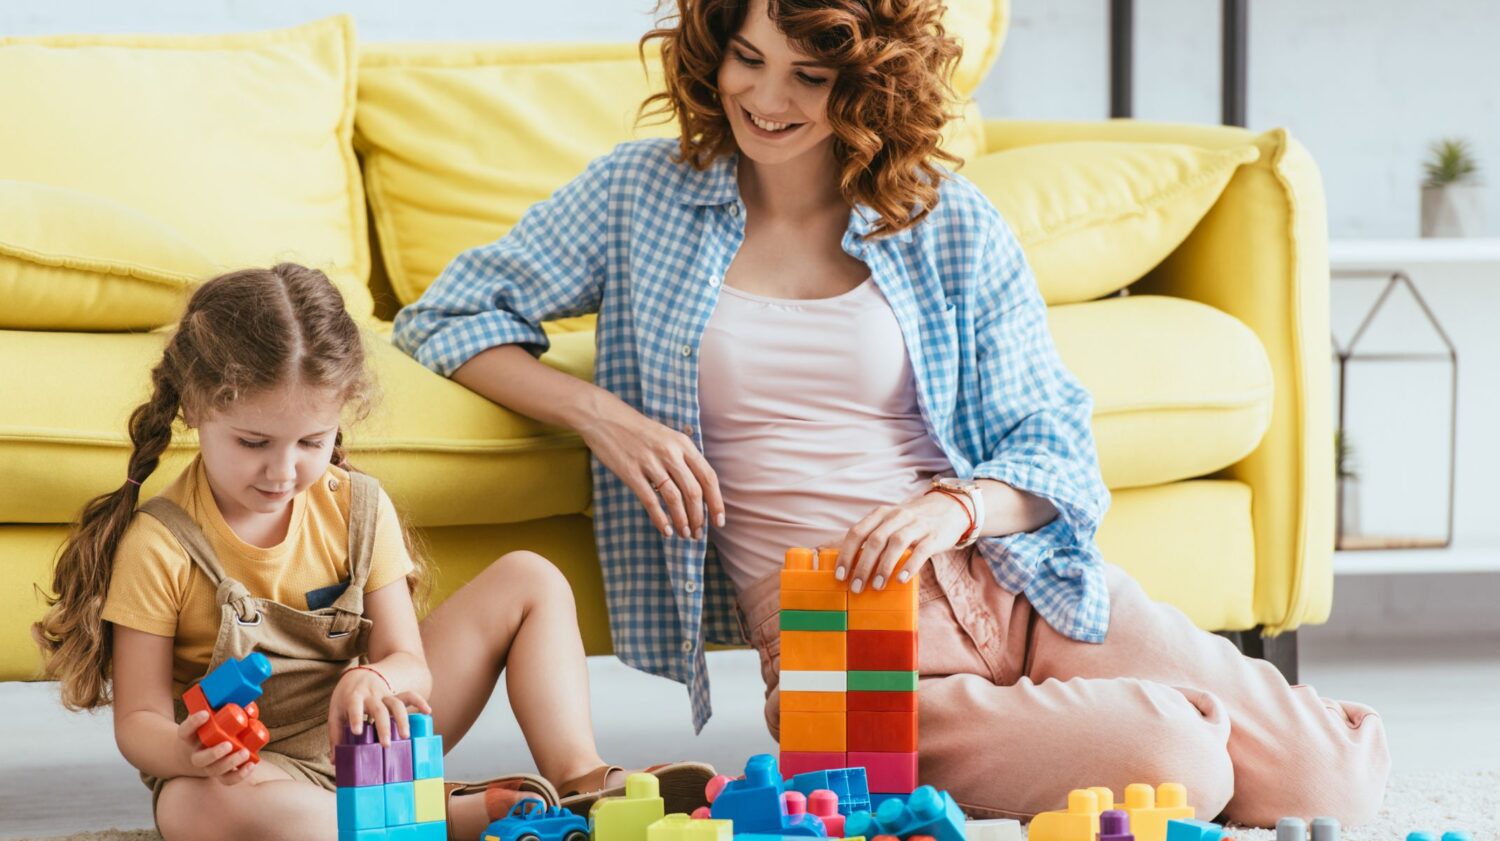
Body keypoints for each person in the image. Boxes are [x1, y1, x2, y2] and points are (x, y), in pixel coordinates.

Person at [392, 0, 1390, 826]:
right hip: (835, 626)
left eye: (807, 77)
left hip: (1013, 581)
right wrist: (604, 416)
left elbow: (1056, 444)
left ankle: (1139, 718)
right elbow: (451, 310)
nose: (765, 98)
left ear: (865, 85)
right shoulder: (638, 196)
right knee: (1184, 760)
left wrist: (953, 510)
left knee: (1332, 777)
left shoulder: (946, 217)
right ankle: (1154, 724)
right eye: (747, 59)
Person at [34, 264, 711, 841]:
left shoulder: (358, 506)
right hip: (246, 772)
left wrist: (380, 678)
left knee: (532, 578)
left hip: (367, 738)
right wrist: (186, 747)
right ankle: (446, 816)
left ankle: (579, 778)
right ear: (195, 408)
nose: (282, 470)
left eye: (310, 441)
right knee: (201, 807)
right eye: (253, 443)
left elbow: (410, 663)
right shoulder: (162, 543)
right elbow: (140, 720)